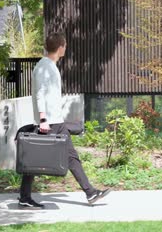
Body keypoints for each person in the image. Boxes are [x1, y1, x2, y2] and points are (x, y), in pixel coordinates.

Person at [18, 32, 110, 209]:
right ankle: (90, 192)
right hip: (50, 123)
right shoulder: (45, 67)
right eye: (65, 45)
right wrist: (43, 119)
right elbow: (39, 94)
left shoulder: (48, 65)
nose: (65, 48)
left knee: (53, 157)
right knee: (45, 159)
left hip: (54, 121)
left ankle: (89, 192)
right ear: (60, 47)